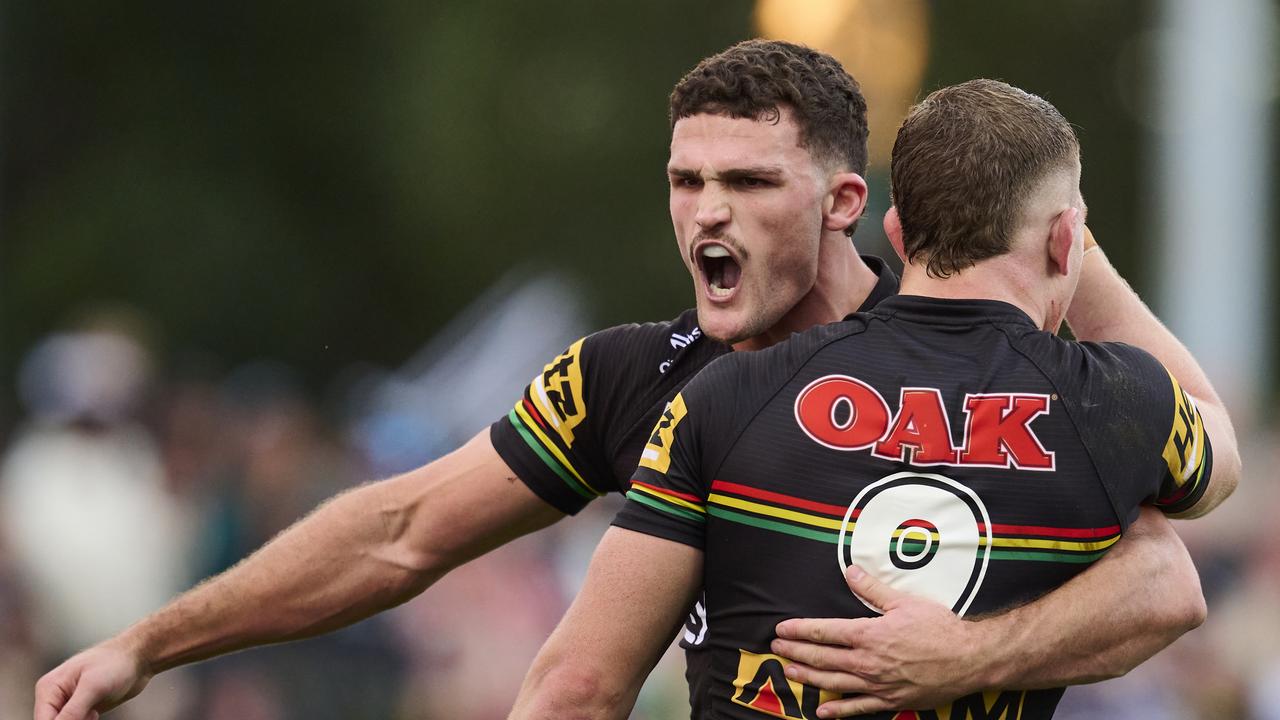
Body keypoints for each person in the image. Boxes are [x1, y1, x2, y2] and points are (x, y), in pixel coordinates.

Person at [36, 42, 1212, 720]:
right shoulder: (632, 376)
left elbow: (1160, 578)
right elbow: (400, 534)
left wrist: (969, 660)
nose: (705, 211)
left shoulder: (976, 363)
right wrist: (151, 642)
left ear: (846, 207)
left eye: (747, 182)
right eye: (684, 179)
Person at [508, 78, 1241, 720]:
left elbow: (576, 689)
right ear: (1063, 241)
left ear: (893, 230)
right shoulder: (1108, 407)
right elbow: (1217, 454)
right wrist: (977, 656)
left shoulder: (727, 393)